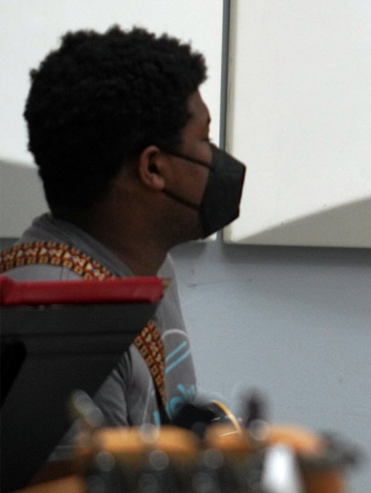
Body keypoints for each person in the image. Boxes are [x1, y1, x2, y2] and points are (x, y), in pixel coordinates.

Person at [1, 26, 245, 432]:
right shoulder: (65, 326)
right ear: (153, 168)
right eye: (204, 138)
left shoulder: (147, 262)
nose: (219, 159)